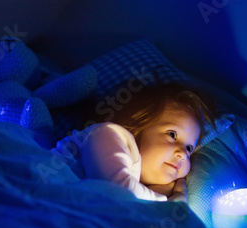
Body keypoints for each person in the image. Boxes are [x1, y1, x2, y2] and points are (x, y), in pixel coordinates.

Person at [51, 82, 216, 202]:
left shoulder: (140, 183)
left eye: (189, 148)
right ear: (139, 123)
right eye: (172, 134)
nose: (182, 154)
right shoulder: (107, 134)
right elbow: (118, 193)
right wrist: (170, 201)